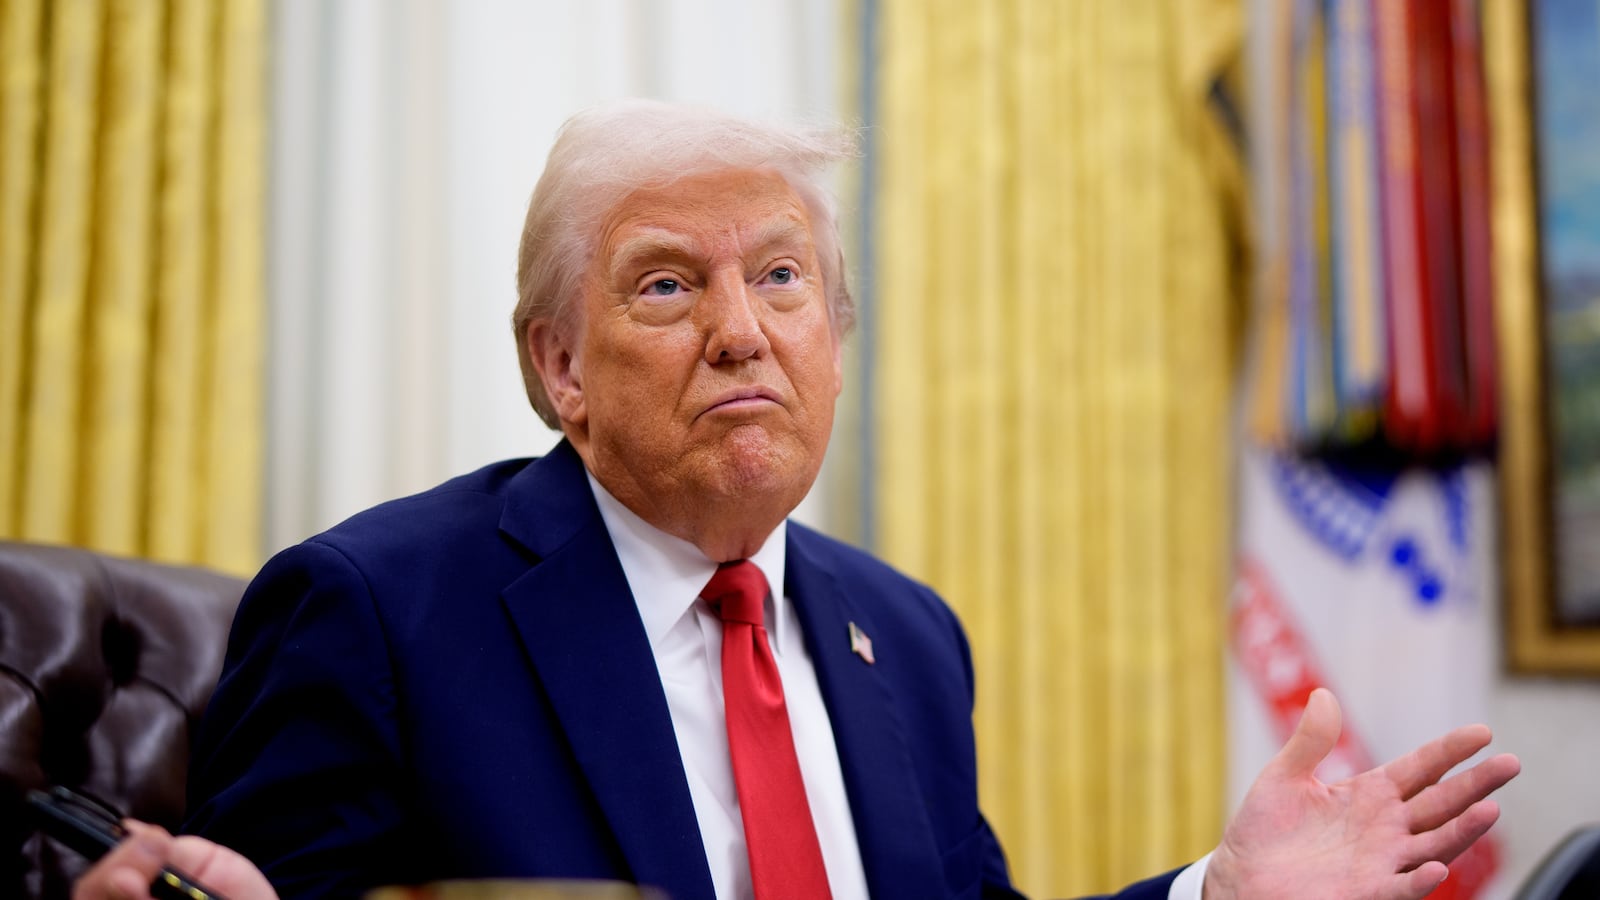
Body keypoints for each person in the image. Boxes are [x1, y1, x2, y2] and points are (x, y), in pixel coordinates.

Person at [75, 100, 1518, 900]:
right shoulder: (378, 611)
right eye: (666, 285)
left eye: (781, 277)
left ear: (837, 332)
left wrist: (1216, 897)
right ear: (560, 365)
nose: (741, 332)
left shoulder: (908, 635)